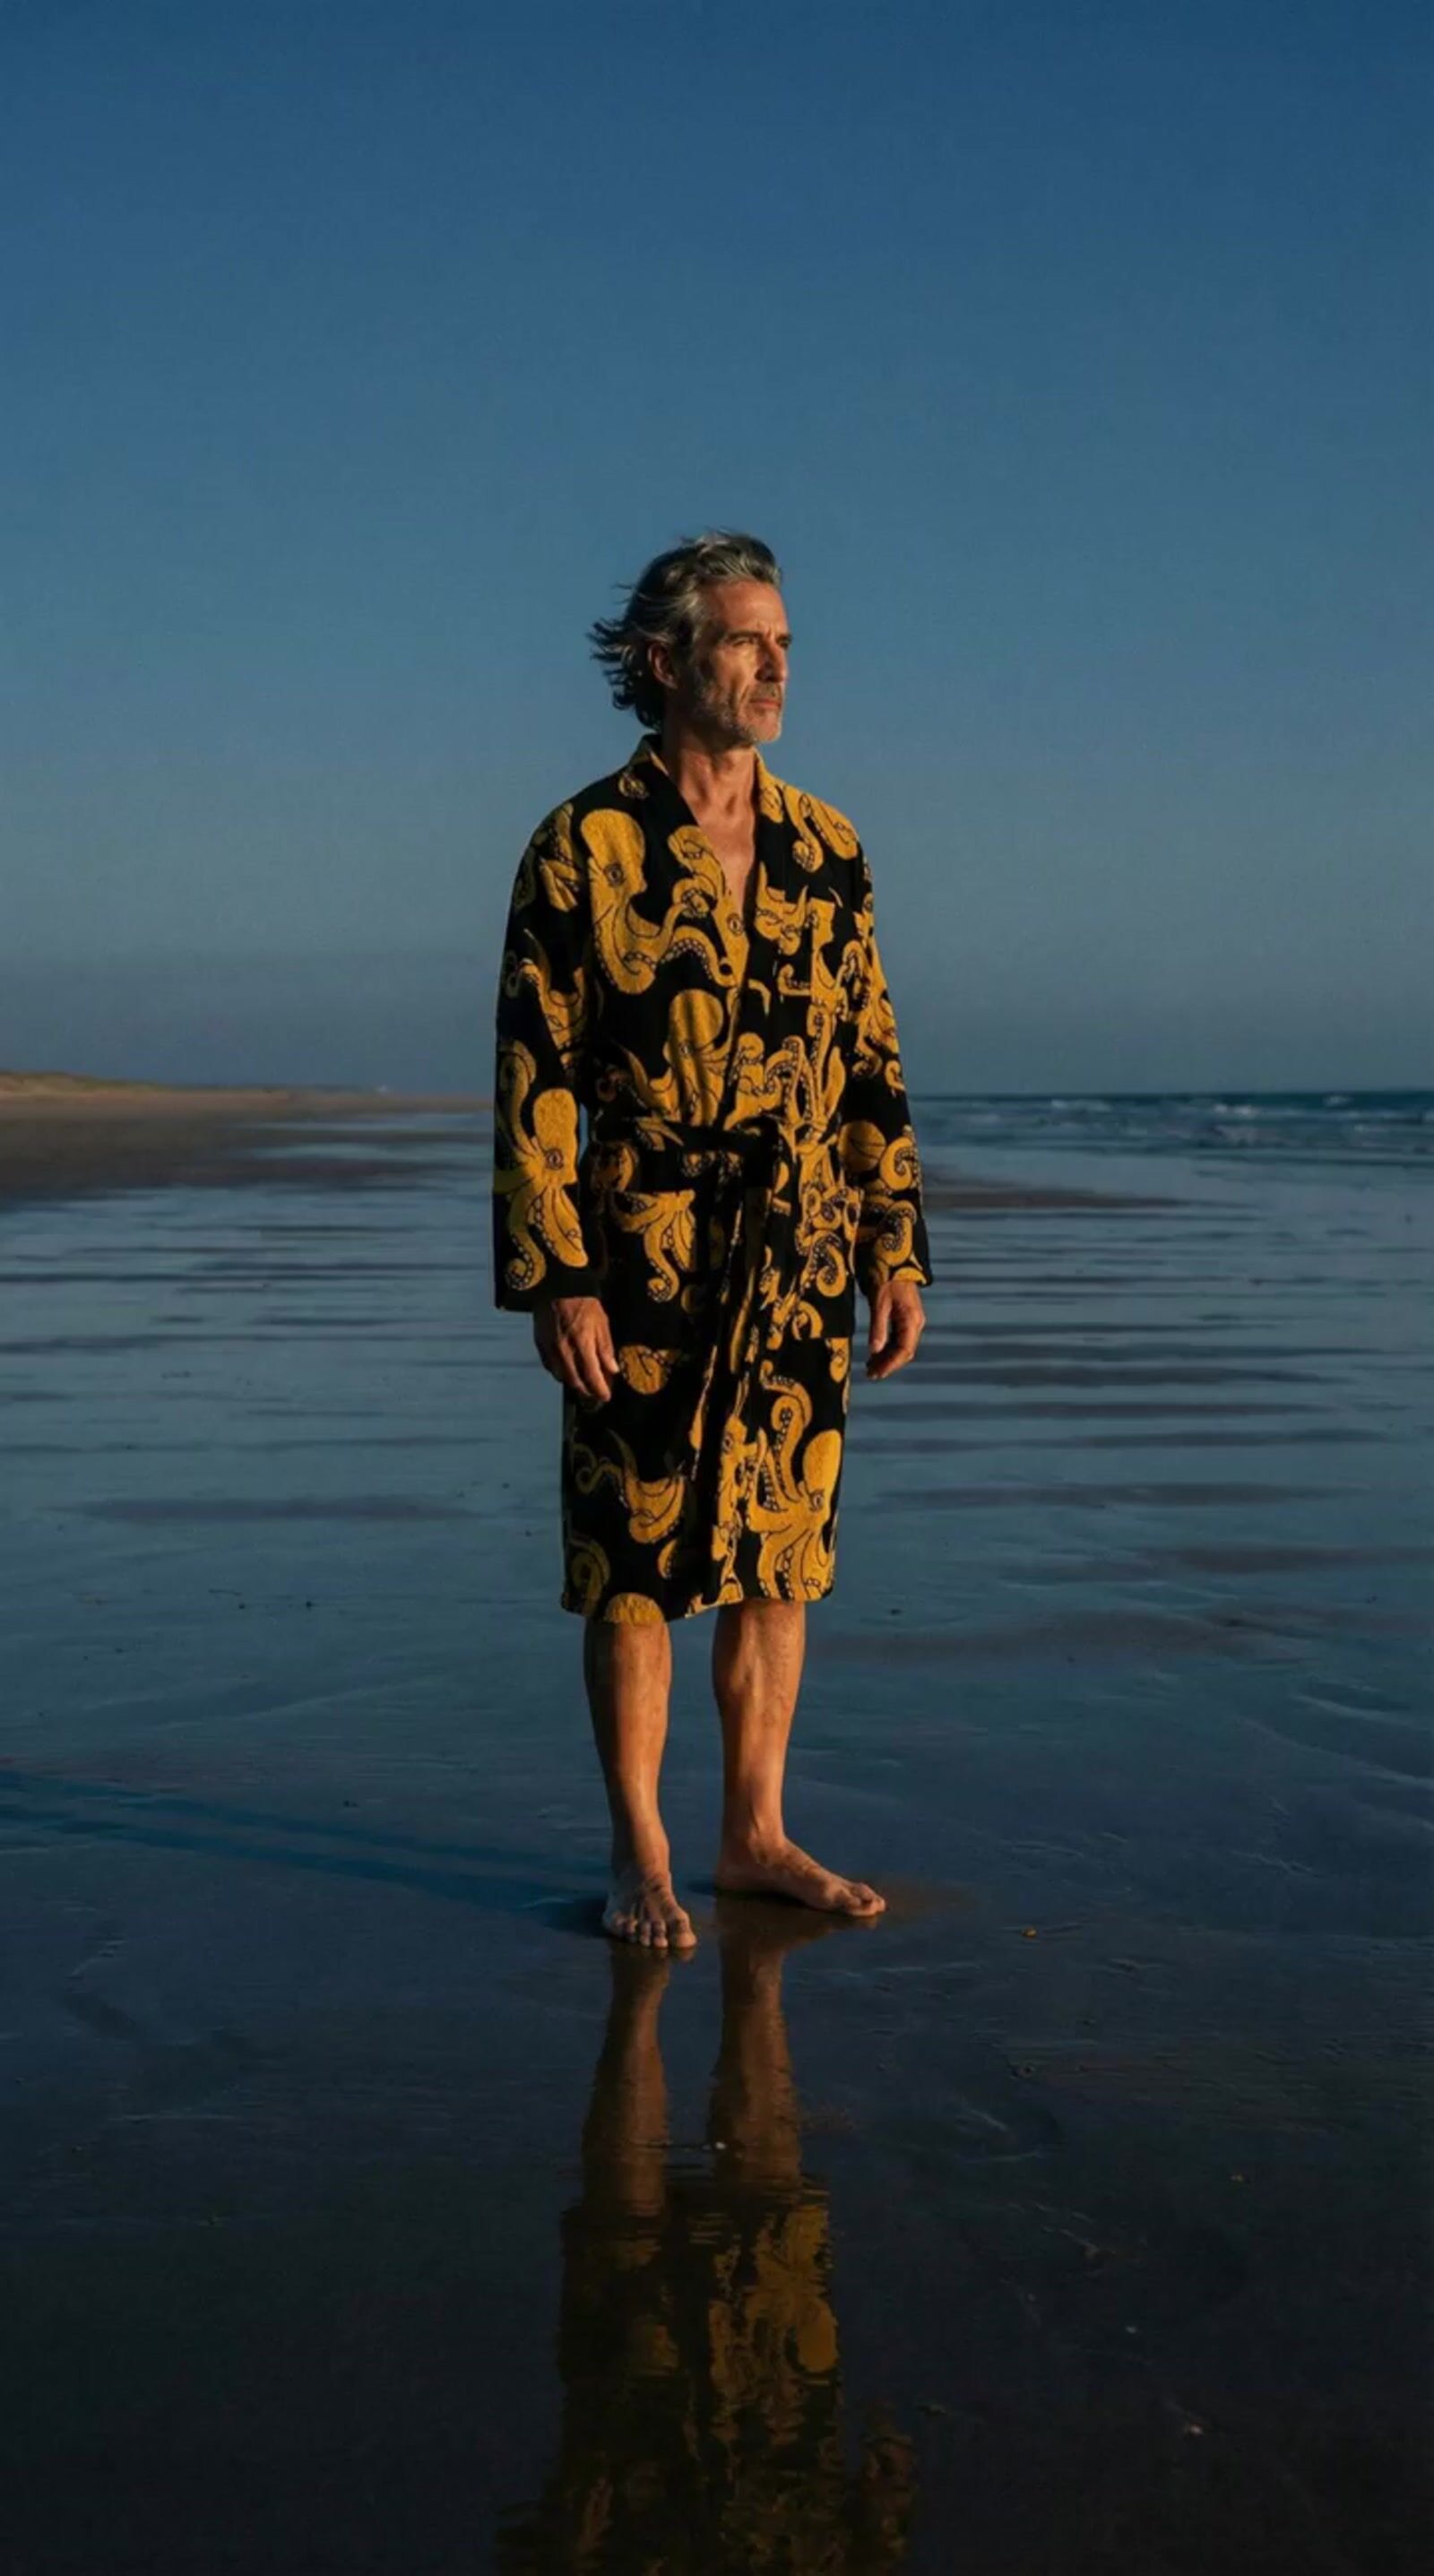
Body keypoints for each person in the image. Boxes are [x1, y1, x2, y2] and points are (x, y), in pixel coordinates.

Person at [492, 532, 930, 1949]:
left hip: (798, 1248)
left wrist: (896, 1243)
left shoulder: (830, 847)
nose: (776, 663)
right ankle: (643, 1850)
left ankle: (755, 1830)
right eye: (748, 640)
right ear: (668, 660)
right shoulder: (583, 847)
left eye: (787, 640)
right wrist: (556, 1271)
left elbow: (870, 1058)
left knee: (778, 1549)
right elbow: (535, 1070)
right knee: (633, 1561)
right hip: (640, 1254)